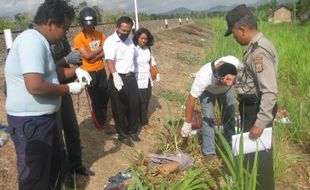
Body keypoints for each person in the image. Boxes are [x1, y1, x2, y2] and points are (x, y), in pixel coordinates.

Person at [4, 0, 91, 189]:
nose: (65, 34)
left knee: (50, 174)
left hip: (41, 120)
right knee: (36, 178)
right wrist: (69, 88)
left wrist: (76, 72)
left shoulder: (40, 41)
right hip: (31, 124)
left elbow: (51, 74)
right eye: (65, 29)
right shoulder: (31, 41)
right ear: (51, 23)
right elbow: (35, 85)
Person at [224, 4, 278, 190]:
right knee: (252, 155)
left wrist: (260, 123)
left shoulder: (259, 51)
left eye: (233, 33)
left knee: (260, 160)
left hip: (257, 109)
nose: (235, 37)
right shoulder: (254, 47)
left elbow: (269, 91)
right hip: (251, 106)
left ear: (242, 29)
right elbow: (254, 78)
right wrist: (237, 79)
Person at [51, 36, 94, 188]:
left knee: (72, 129)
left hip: (65, 89)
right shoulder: (40, 41)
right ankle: (65, 174)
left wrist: (77, 70)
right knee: (58, 138)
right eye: (64, 26)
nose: (66, 31)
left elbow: (70, 61)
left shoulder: (61, 39)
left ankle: (77, 165)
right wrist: (65, 59)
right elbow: (48, 70)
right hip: (51, 92)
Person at [181, 56, 240, 161]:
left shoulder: (234, 63)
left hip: (226, 92)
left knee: (229, 117)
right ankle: (209, 153)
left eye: (230, 79)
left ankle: (231, 147)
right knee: (208, 119)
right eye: (225, 80)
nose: (229, 82)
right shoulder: (204, 76)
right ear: (216, 76)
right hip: (208, 92)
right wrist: (187, 123)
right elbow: (191, 98)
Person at [73, 7, 112, 133]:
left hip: (100, 70)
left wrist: (95, 55)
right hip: (88, 72)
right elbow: (87, 57)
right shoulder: (78, 38)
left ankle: (103, 116)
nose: (89, 27)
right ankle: (99, 122)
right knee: (94, 98)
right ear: (82, 24)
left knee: (105, 94)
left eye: (91, 24)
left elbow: (104, 51)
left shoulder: (100, 34)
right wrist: (100, 49)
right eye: (86, 25)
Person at [103, 16, 140, 147]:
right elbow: (109, 61)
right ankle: (123, 135)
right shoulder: (111, 42)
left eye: (128, 30)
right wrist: (115, 75)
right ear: (117, 28)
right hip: (118, 77)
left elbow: (134, 59)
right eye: (123, 30)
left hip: (131, 77)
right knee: (119, 108)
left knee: (134, 105)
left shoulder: (130, 40)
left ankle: (132, 130)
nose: (125, 33)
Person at [132, 28, 160, 130]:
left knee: (147, 99)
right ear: (137, 38)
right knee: (141, 101)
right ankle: (144, 122)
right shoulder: (133, 49)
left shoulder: (148, 48)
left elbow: (152, 60)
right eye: (142, 38)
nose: (144, 40)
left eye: (146, 39)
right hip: (137, 78)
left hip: (147, 78)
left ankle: (141, 118)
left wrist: (156, 72)